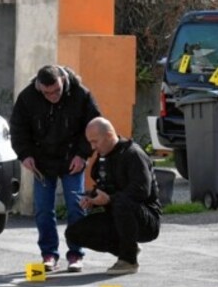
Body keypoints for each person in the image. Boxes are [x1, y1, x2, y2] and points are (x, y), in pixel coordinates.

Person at [10, 65, 101, 272]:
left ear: (63, 80)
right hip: (42, 162)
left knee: (76, 207)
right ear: (39, 86)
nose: (53, 96)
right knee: (43, 209)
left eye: (57, 91)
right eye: (47, 93)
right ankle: (49, 254)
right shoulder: (28, 97)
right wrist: (25, 155)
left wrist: (82, 154)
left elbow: (94, 125)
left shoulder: (81, 94)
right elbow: (18, 129)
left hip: (72, 160)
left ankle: (76, 254)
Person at [65, 117, 162, 275]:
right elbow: (103, 188)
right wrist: (92, 199)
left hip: (145, 219)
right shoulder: (103, 158)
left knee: (121, 203)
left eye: (95, 141)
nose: (92, 147)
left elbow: (141, 191)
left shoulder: (133, 154)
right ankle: (128, 248)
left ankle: (128, 261)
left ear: (109, 135)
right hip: (117, 215)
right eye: (90, 142)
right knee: (74, 232)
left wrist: (110, 199)